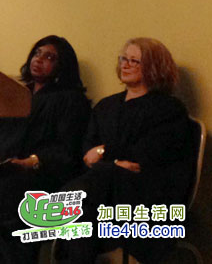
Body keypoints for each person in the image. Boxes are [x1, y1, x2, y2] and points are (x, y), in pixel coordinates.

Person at [59, 37, 193, 263]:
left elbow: (149, 155)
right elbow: (88, 149)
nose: (125, 65)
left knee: (85, 198)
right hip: (103, 186)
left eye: (134, 61)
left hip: (146, 190)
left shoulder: (169, 109)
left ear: (154, 67)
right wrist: (112, 162)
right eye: (123, 59)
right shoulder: (106, 106)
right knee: (87, 204)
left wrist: (105, 154)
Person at [0, 35, 91, 264]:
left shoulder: (70, 100)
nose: (38, 59)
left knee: (1, 188)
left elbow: (67, 150)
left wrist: (32, 161)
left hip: (36, 174)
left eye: (49, 57)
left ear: (62, 66)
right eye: (37, 53)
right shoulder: (13, 93)